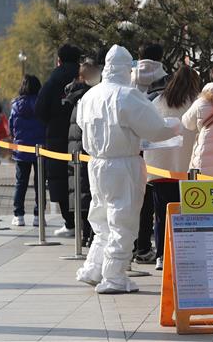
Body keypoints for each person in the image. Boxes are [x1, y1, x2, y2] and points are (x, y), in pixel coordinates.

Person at [75, 44, 181, 293]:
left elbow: (82, 123)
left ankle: (94, 267)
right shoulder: (127, 95)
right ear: (126, 68)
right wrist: (174, 126)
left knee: (101, 217)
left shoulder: (90, 95)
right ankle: (113, 275)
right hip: (123, 162)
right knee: (123, 220)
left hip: (97, 162)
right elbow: (155, 128)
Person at [145, 65, 200, 270]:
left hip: (160, 167)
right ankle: (182, 254)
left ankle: (161, 255)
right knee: (185, 215)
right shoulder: (195, 103)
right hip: (186, 169)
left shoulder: (158, 102)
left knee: (161, 214)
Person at [35, 43, 82, 237]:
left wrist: (53, 122)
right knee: (83, 179)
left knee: (60, 178)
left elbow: (40, 109)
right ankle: (85, 224)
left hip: (56, 137)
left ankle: (69, 223)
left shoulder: (52, 81)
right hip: (82, 136)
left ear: (59, 60)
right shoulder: (85, 78)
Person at [131, 42, 169, 264]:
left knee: (138, 201)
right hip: (158, 146)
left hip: (133, 146)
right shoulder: (165, 78)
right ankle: (155, 249)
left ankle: (139, 246)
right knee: (157, 201)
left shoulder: (129, 77)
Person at [63, 61, 101, 246]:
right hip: (88, 150)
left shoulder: (75, 95)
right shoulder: (91, 96)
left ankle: (85, 235)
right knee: (91, 193)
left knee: (83, 192)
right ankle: (89, 235)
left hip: (76, 150)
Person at [9, 75, 45, 227]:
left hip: (22, 149)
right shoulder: (42, 104)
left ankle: (19, 215)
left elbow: (12, 127)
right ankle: (39, 216)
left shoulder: (16, 105)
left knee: (20, 183)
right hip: (41, 149)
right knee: (40, 183)